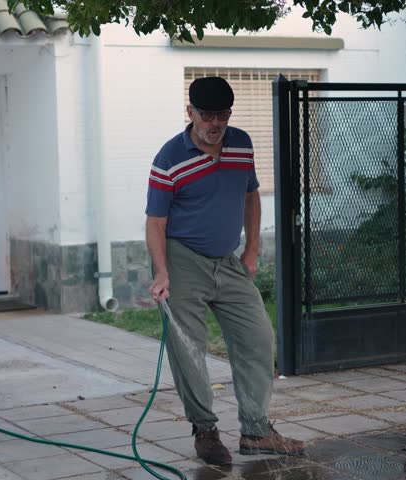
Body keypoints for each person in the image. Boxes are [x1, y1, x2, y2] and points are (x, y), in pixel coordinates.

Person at [144, 76, 305, 465]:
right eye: (207, 115)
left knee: (258, 337)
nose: (215, 123)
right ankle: (205, 431)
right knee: (189, 348)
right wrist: (162, 272)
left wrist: (252, 250)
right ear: (191, 112)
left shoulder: (241, 144)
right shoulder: (169, 158)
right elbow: (155, 222)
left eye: (223, 115)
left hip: (227, 259)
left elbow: (251, 196)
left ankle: (256, 431)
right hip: (182, 259)